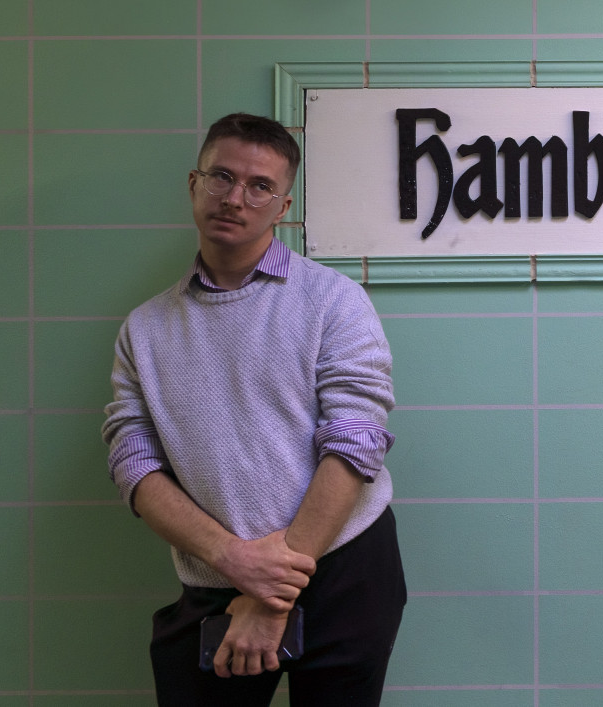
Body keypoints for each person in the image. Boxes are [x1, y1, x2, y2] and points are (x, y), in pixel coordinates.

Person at [103, 112, 405, 704]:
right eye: (221, 176)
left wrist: (271, 592)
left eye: (260, 185)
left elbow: (355, 440)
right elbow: (132, 463)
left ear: (283, 206)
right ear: (194, 184)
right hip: (218, 574)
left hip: (344, 568)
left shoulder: (335, 300)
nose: (235, 198)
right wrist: (235, 560)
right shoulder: (144, 328)